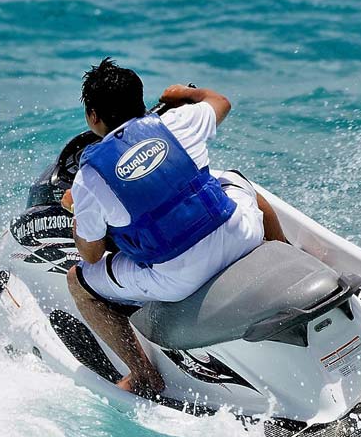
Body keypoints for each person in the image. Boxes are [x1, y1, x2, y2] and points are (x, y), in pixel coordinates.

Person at [61, 58, 287, 398]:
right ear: (139, 100)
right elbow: (221, 102)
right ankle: (284, 253)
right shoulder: (178, 121)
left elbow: (91, 254)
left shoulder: (88, 179)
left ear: (93, 116)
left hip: (180, 278)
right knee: (236, 181)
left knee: (78, 281)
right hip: (240, 238)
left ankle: (142, 374)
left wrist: (78, 210)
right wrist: (184, 92)